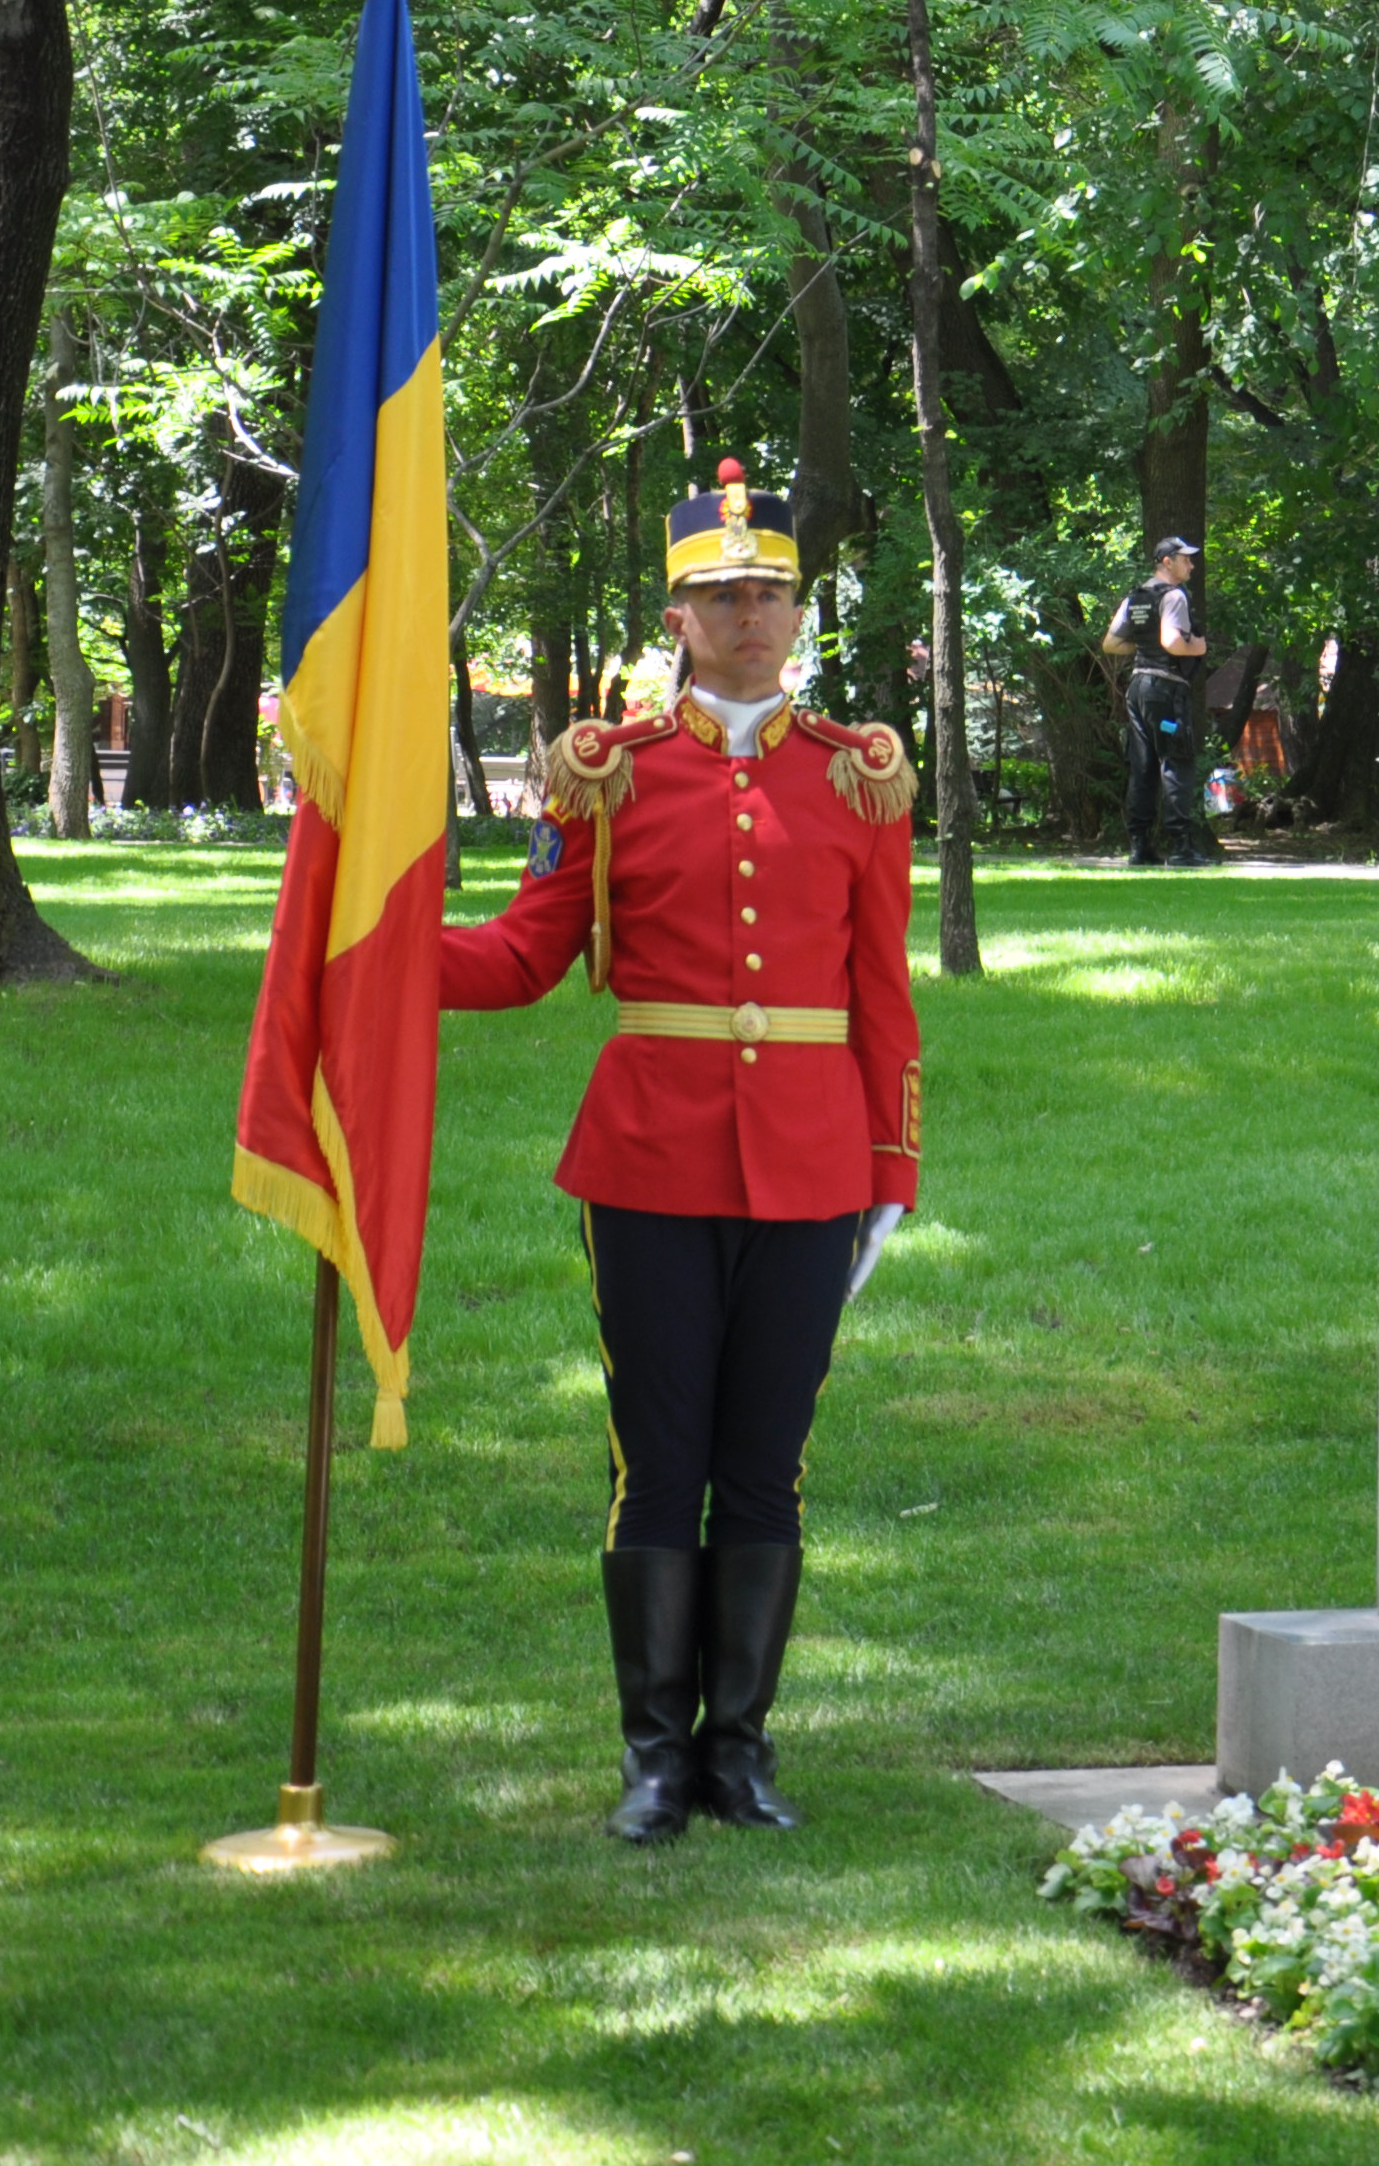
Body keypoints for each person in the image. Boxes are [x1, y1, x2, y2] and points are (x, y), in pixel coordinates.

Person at [441, 458, 922, 1842]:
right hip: (647, 1161)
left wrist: (892, 1171)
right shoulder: (608, 777)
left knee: (766, 1463)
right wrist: (376, 956)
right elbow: (531, 953)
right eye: (720, 597)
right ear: (677, 620)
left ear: (799, 607)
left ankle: (741, 1752)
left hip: (815, 1161)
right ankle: (655, 1756)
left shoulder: (860, 779)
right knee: (659, 1464)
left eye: (769, 592)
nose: (749, 616)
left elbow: (881, 993)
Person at [1103, 537, 1214, 866]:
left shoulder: (1136, 597)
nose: (1191, 565)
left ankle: (1140, 847)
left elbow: (1110, 643)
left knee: (1143, 766)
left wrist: (1142, 650)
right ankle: (1182, 847)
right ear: (1168, 561)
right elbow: (1172, 642)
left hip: (1138, 689)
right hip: (1165, 693)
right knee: (1176, 760)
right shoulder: (1174, 596)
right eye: (1186, 560)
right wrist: (1199, 647)